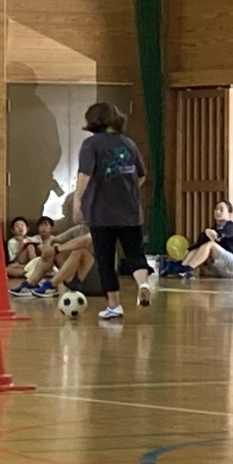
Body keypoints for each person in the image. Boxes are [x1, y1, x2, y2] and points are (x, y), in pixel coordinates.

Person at [73, 102, 151, 319]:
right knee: (135, 254)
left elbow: (85, 175)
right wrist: (126, 190)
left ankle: (114, 305)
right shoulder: (128, 143)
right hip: (130, 211)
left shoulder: (91, 144)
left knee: (106, 260)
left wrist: (77, 201)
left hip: (101, 212)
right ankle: (143, 284)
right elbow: (141, 175)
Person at [179, 201, 233, 279]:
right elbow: (200, 241)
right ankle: (182, 269)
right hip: (222, 269)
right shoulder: (214, 228)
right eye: (216, 209)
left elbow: (216, 236)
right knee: (197, 249)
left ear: (229, 215)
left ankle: (189, 269)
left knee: (210, 244)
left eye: (221, 210)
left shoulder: (231, 227)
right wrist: (189, 249)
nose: (217, 211)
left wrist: (208, 232)